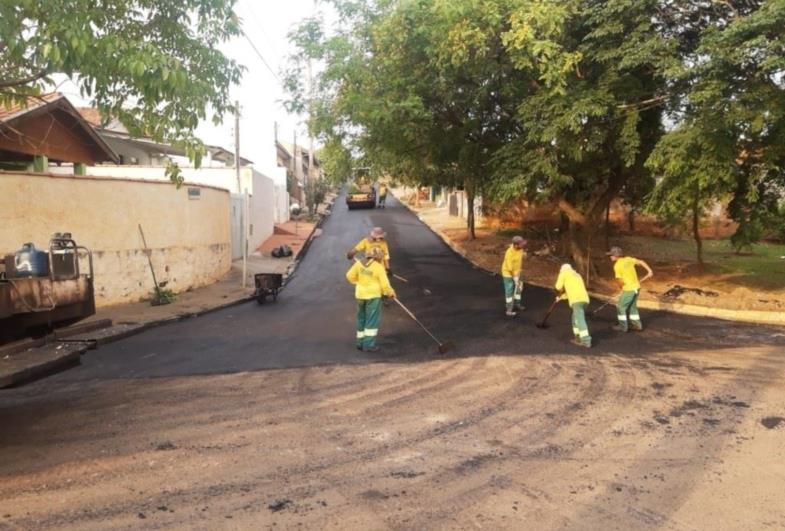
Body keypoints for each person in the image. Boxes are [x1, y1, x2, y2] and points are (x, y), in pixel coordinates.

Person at [346, 247, 396, 352]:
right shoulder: (378, 267)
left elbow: (349, 276)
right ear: (378, 257)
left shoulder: (359, 263)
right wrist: (390, 293)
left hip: (360, 295)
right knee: (371, 320)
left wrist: (358, 283)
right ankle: (368, 345)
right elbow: (385, 285)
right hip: (373, 296)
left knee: (361, 318)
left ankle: (360, 342)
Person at [606, 246, 653, 332]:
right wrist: (649, 271)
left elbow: (620, 280)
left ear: (616, 256)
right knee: (632, 307)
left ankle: (623, 326)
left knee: (620, 306)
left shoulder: (617, 266)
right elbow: (641, 262)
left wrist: (621, 287)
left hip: (629, 289)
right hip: (637, 288)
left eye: (611, 255)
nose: (610, 256)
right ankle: (637, 325)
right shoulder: (628, 259)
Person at [554, 263, 592, 348]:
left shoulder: (564, 273)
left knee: (579, 319)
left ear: (562, 269)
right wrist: (561, 297)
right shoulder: (577, 275)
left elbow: (558, 286)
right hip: (585, 300)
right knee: (575, 318)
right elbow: (572, 291)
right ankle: (577, 337)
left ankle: (586, 340)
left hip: (576, 300)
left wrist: (561, 289)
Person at [501, 235, 526, 316]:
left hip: (518, 272)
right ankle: (509, 308)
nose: (523, 245)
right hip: (508, 273)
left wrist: (518, 273)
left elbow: (520, 260)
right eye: (521, 244)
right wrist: (515, 278)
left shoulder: (520, 249)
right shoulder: (509, 253)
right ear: (516, 245)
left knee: (519, 289)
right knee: (510, 290)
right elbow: (509, 268)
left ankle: (517, 304)